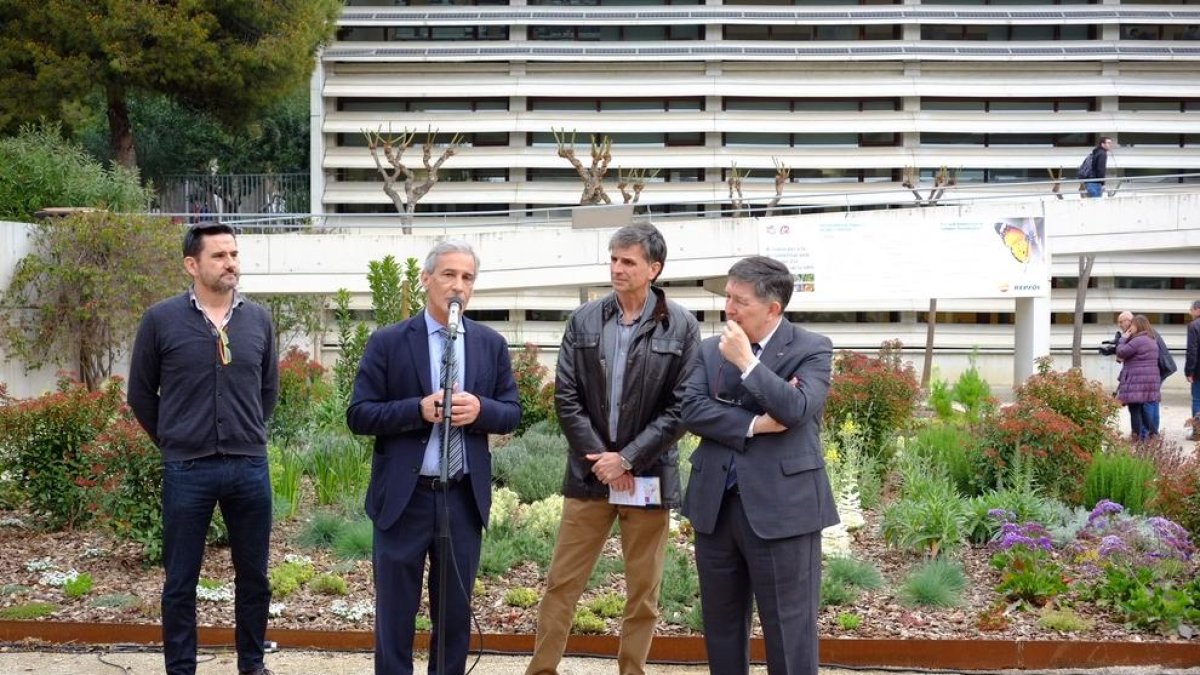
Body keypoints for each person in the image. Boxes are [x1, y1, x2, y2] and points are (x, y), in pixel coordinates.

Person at [526, 224, 700, 675]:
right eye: (614, 259)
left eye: (628, 262)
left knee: (643, 591)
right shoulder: (583, 320)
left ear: (654, 268)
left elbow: (681, 407)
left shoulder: (681, 326)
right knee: (561, 583)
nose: (617, 269)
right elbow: (566, 398)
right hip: (589, 476)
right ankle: (541, 670)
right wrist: (604, 462)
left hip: (647, 477)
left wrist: (627, 460)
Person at [347, 240, 521, 675]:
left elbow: (512, 412)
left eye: (467, 278)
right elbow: (359, 414)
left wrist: (481, 410)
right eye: (448, 275)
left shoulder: (490, 344)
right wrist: (415, 410)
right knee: (395, 616)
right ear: (426, 279)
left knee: (454, 619)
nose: (457, 286)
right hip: (404, 500)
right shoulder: (388, 342)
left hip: (461, 498)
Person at [127, 222, 279, 675]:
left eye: (234, 253)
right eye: (219, 255)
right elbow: (140, 394)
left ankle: (252, 665)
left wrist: (244, 432)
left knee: (254, 577)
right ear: (192, 265)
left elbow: (266, 391)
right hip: (187, 469)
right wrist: (175, 440)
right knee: (180, 582)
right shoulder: (160, 320)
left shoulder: (258, 320)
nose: (231, 262)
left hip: (249, 466)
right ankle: (181, 669)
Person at [680, 256, 839, 675]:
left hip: (783, 509)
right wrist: (753, 423)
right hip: (715, 505)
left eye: (740, 301)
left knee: (789, 630)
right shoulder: (708, 348)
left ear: (773, 308)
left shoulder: (812, 348)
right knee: (721, 626)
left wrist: (748, 364)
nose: (728, 309)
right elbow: (691, 409)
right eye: (727, 297)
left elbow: (795, 409)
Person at [1116, 314, 1161, 440]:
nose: (1131, 327)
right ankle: (1150, 433)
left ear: (1138, 325)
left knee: (1137, 406)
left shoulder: (1137, 340)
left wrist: (1123, 338)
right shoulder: (1152, 339)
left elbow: (1121, 352)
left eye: (1133, 325)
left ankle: (1141, 435)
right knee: (1148, 405)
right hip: (1151, 378)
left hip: (1137, 379)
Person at [1186, 300, 1200, 438]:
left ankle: (1197, 432)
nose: (1190, 313)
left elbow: (1192, 350)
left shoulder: (1194, 326)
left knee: (1197, 400)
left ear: (1198, 310)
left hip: (1198, 370)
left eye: (1191, 310)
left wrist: (1189, 371)